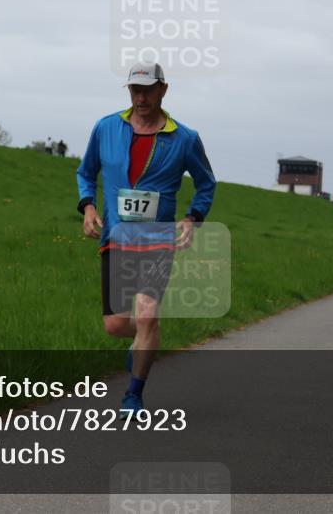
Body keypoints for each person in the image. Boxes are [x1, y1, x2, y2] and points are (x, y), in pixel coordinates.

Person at [76, 61, 216, 414]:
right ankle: (145, 337)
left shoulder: (184, 138)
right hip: (116, 236)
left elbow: (206, 184)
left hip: (158, 239)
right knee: (116, 325)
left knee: (148, 313)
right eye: (135, 90)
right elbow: (85, 172)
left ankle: (133, 395)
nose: (141, 98)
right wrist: (88, 207)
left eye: (148, 91)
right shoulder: (106, 128)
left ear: (163, 90)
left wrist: (192, 218)